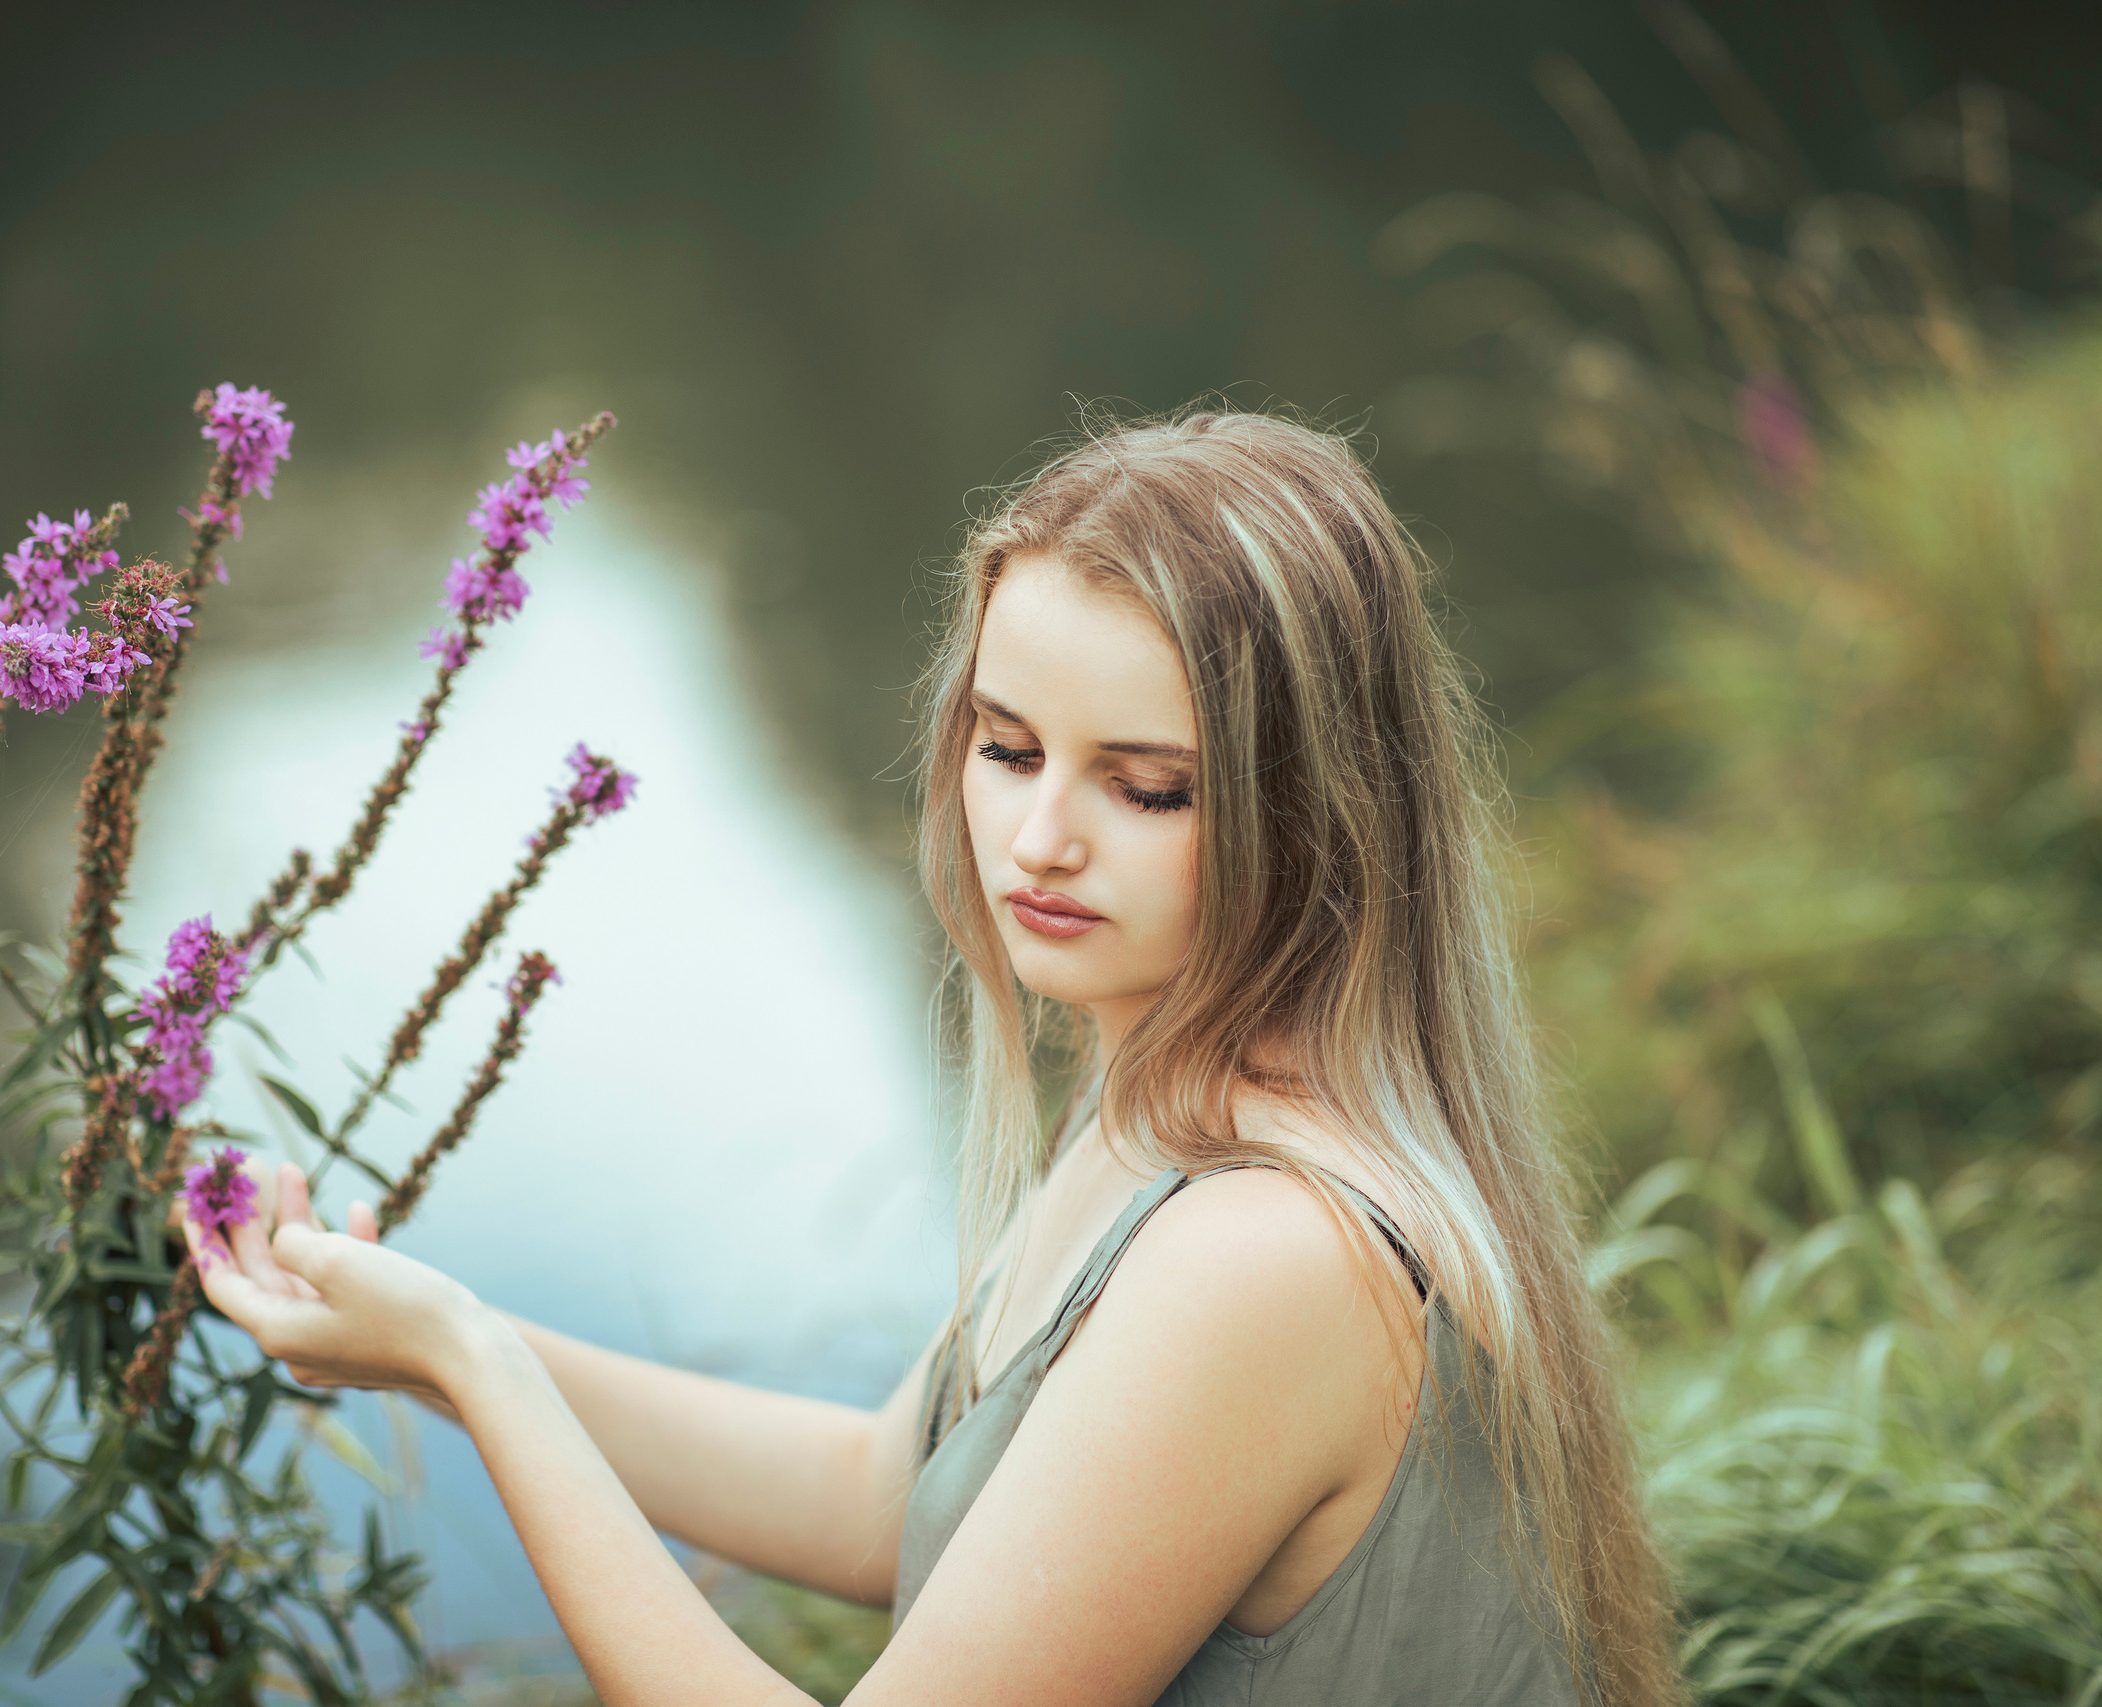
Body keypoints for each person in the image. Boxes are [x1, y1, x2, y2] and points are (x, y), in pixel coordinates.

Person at [189, 410, 1683, 1705]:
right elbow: (883, 1491)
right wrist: (444, 1340)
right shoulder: (1168, 1097)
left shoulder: (1270, 1256)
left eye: (1147, 788)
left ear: (1321, 810)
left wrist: (475, 1366)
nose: (1039, 842)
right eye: (1009, 750)